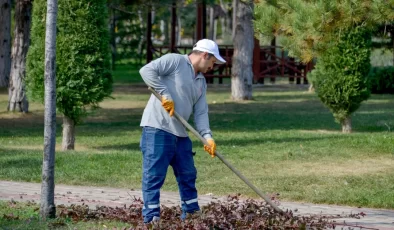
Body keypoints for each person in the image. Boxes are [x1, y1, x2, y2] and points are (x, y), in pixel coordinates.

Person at [138, 39, 226, 223]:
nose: (213, 66)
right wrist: (164, 94)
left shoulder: (201, 81)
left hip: (181, 134)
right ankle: (152, 219)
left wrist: (207, 137)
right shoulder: (175, 61)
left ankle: (192, 214)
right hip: (158, 128)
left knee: (188, 174)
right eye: (213, 61)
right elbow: (146, 71)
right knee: (154, 175)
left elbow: (201, 113)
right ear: (204, 55)